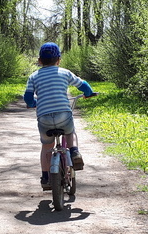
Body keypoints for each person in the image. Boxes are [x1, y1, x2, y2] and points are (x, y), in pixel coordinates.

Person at [24, 42, 95, 190]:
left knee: (46, 146)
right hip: (64, 115)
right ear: (59, 60)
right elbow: (84, 85)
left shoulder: (33, 76)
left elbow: (28, 97)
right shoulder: (65, 73)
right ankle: (74, 151)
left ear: (39, 60)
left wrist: (33, 103)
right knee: (70, 132)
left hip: (44, 118)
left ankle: (45, 176)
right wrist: (88, 93)